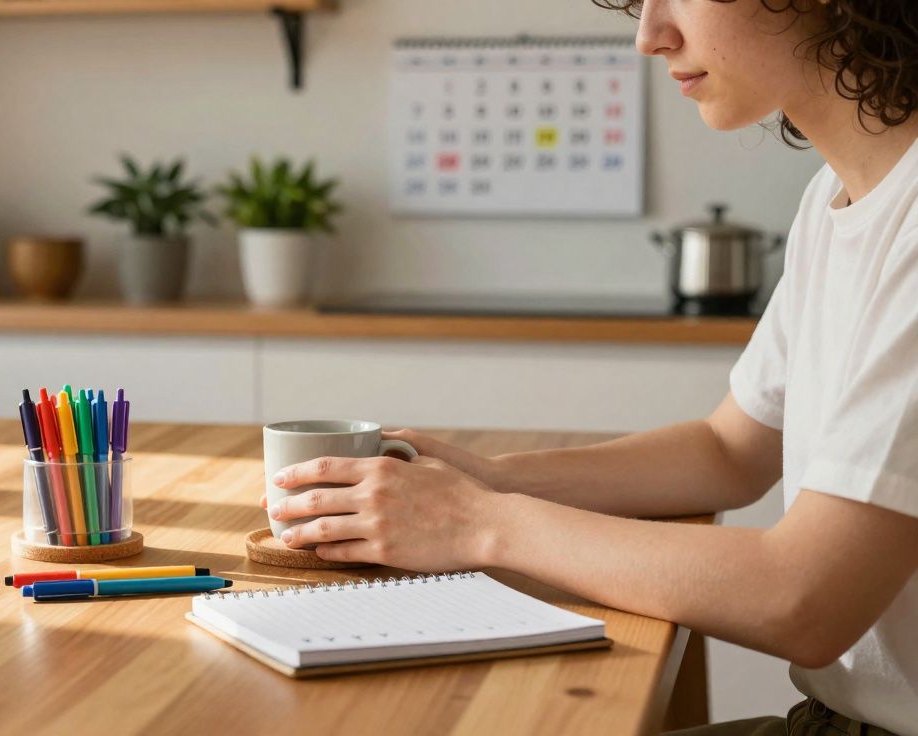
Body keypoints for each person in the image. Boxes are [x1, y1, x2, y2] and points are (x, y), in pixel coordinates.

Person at [265, 1, 918, 733]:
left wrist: (482, 523)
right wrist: (491, 479)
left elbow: (804, 599)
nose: (650, 36)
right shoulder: (834, 198)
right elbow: (728, 451)